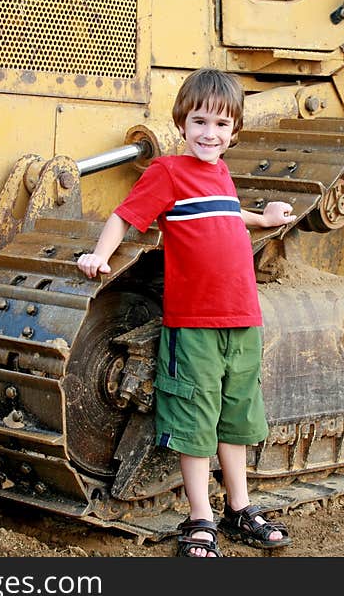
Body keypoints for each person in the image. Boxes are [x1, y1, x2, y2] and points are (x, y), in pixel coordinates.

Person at [77, 67, 295, 557]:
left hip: (242, 321)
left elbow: (224, 212)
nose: (208, 133)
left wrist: (261, 217)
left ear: (234, 132)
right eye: (199, 122)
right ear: (181, 123)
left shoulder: (219, 173)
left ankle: (239, 506)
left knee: (235, 418)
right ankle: (201, 517)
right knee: (196, 420)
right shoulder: (168, 173)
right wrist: (100, 254)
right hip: (194, 324)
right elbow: (124, 215)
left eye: (220, 125)